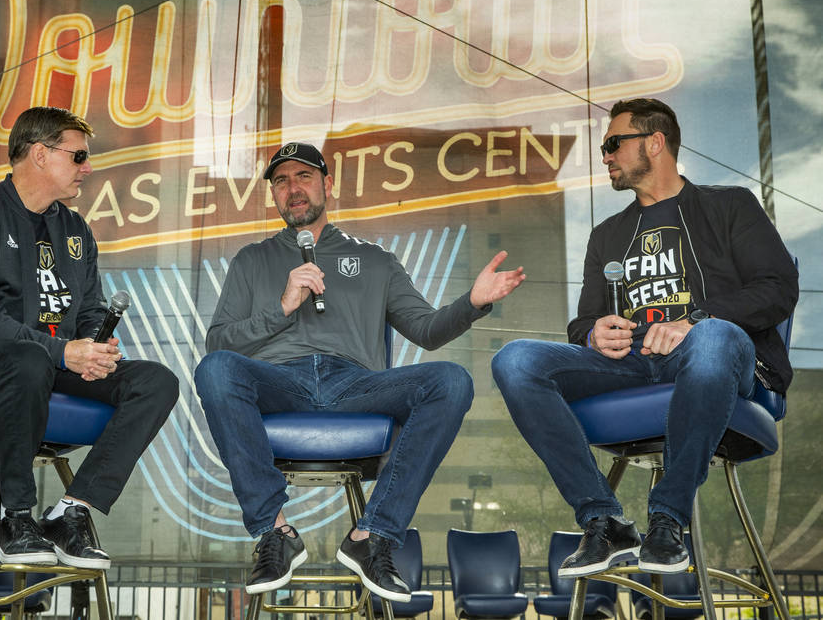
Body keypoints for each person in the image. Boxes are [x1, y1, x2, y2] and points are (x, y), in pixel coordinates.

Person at [194, 142, 526, 601]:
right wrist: (283, 308)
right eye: (281, 181)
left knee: (450, 380)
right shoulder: (253, 260)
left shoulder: (375, 259)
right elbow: (220, 344)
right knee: (215, 369)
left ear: (327, 185)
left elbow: (426, 330)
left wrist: (473, 303)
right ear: (272, 193)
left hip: (355, 384)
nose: (293, 189)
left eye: (304, 177)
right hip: (279, 383)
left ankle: (372, 536)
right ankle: (275, 532)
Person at [491, 98, 798, 577]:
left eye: (614, 144)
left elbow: (778, 289)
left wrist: (695, 321)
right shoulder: (606, 235)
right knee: (515, 361)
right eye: (604, 148)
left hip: (715, 356)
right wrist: (592, 333)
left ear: (655, 143)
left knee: (715, 337)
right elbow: (582, 322)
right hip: (633, 364)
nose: (606, 156)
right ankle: (603, 519)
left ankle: (667, 518)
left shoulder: (729, 205)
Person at [0, 106, 179, 570]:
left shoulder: (76, 230)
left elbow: (90, 309)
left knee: (156, 381)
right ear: (39, 154)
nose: (89, 167)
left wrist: (92, 350)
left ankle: (72, 511)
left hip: (47, 366)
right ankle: (14, 517)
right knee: (27, 358)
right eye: (78, 156)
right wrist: (63, 352)